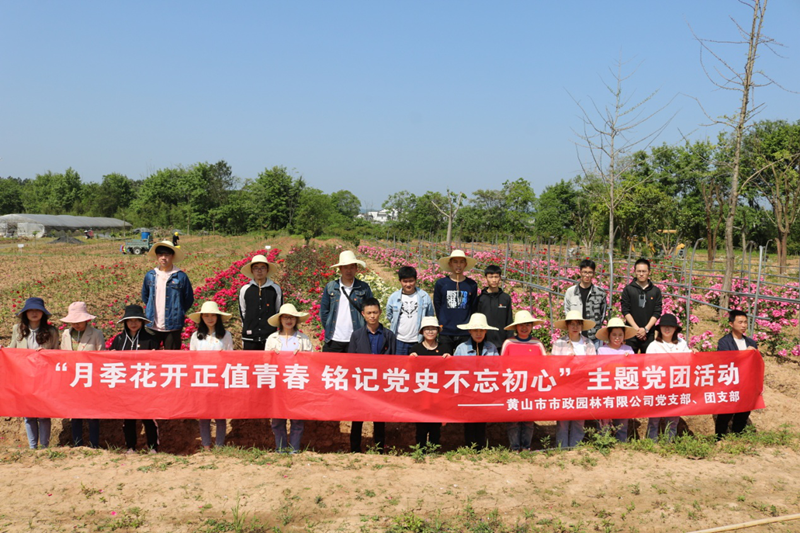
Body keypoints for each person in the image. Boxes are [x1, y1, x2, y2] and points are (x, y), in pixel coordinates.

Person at [9, 297, 59, 449]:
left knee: (43, 414)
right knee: (28, 414)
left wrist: (46, 353)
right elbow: (12, 349)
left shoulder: (51, 331)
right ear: (25, 313)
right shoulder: (17, 329)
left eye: (38, 310)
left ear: (43, 313)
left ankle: (44, 447)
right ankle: (32, 447)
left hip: (44, 378)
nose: (34, 313)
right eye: (30, 310)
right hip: (23, 377)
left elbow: (57, 353)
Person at [109, 305, 160, 454]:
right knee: (128, 418)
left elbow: (158, 361)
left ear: (142, 322)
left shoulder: (150, 339)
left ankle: (153, 447)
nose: (133, 323)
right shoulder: (119, 339)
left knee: (148, 417)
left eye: (137, 320)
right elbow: (110, 361)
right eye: (130, 320)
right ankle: (130, 447)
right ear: (125, 322)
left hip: (145, 383)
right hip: (125, 385)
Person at [347, 298, 395, 453]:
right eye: (369, 313)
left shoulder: (389, 335)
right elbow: (351, 360)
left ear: (380, 312)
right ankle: (355, 449)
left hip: (381, 382)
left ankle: (379, 449)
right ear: (363, 314)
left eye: (375, 312)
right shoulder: (356, 335)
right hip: (362, 381)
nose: (372, 316)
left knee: (379, 418)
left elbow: (394, 359)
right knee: (357, 417)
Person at [265, 303, 312, 453]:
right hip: (277, 384)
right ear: (280, 320)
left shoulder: (303, 339)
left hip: (296, 383)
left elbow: (311, 362)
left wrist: (303, 356)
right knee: (277, 419)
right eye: (285, 317)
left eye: (291, 317)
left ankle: (294, 448)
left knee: (296, 419)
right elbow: (265, 362)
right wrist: (272, 354)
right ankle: (280, 448)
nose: (288, 320)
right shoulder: (272, 339)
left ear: (296, 320)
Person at [188, 301, 234, 451]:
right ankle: (206, 445)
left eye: (213, 315)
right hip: (202, 379)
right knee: (204, 414)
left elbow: (231, 357)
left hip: (220, 379)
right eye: (206, 315)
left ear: (218, 317)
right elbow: (192, 358)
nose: (210, 318)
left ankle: (219, 445)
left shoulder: (226, 335)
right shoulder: (195, 336)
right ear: (201, 318)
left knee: (220, 414)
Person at [59, 302, 105, 448]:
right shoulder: (66, 334)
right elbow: (62, 355)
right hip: (73, 379)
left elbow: (102, 356)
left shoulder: (96, 334)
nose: (76, 324)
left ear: (86, 320)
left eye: (79, 321)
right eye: (73, 322)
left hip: (91, 379)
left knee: (92, 414)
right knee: (75, 414)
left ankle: (94, 445)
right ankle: (77, 444)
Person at [452, 313, 499, 449]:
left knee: (482, 418)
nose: (478, 333)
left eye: (481, 330)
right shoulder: (461, 348)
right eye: (475, 330)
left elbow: (497, 367)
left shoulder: (492, 348)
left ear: (486, 331)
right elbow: (454, 368)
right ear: (470, 331)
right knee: (468, 418)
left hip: (485, 388)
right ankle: (469, 446)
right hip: (467, 389)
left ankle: (480, 446)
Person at [551, 310, 597, 449]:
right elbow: (553, 366)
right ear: (567, 326)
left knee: (579, 418)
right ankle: (562, 447)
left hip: (582, 385)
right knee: (563, 419)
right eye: (572, 324)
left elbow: (593, 365)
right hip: (564, 386)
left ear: (582, 326)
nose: (575, 327)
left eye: (578, 324)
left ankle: (575, 447)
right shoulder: (559, 343)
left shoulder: (589, 344)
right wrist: (566, 361)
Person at [501, 310, 546, 451]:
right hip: (513, 387)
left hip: (531, 387)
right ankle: (515, 447)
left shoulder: (537, 344)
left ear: (532, 326)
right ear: (516, 327)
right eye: (521, 325)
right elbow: (502, 365)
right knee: (513, 420)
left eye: (527, 324)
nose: (524, 328)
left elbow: (545, 365)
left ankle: (526, 447)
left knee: (528, 420)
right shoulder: (508, 343)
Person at [645, 313, 693, 442]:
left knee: (673, 417)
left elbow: (688, 361)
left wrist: (694, 354)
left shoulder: (682, 344)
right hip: (658, 386)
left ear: (675, 329)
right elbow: (648, 365)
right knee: (654, 417)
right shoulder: (653, 345)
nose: (667, 329)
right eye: (664, 326)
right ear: (659, 328)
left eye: (670, 326)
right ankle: (651, 442)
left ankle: (669, 441)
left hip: (676, 385)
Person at [141, 241, 194, 350]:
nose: (163, 258)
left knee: (172, 357)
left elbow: (188, 299)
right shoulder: (150, 275)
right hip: (152, 325)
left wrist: (178, 311)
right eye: (160, 255)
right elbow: (145, 296)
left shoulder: (181, 276)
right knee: (151, 356)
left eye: (167, 255)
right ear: (157, 256)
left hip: (173, 326)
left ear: (172, 256)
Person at [715, 309, 759, 440]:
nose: (743, 325)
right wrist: (744, 354)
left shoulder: (751, 343)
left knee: (744, 412)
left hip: (746, 383)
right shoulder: (724, 342)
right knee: (726, 413)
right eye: (740, 322)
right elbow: (724, 360)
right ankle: (719, 438)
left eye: (745, 322)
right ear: (731, 324)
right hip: (730, 383)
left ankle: (737, 436)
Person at [320, 250, 373, 353]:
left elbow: (370, 310)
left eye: (352, 267)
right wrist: (329, 327)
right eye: (345, 267)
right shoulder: (331, 287)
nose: (349, 270)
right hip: (334, 338)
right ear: (340, 268)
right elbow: (324, 311)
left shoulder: (363, 287)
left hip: (356, 338)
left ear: (356, 268)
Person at [409, 316, 450, 448]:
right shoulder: (416, 349)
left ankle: (434, 448)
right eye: (427, 329)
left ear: (437, 331)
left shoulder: (445, 348)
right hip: (421, 391)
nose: (430, 331)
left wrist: (449, 359)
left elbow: (450, 370)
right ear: (422, 331)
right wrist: (411, 359)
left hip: (438, 392)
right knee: (421, 423)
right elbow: (409, 371)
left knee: (435, 424)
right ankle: (420, 448)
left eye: (433, 329)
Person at [595, 317, 637, 442]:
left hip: (622, 388)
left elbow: (634, 367)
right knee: (605, 416)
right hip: (607, 388)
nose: (617, 338)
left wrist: (629, 359)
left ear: (624, 336)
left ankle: (621, 441)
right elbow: (599, 368)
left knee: (622, 416)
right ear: (609, 335)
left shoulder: (628, 349)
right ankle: (604, 440)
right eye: (614, 334)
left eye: (620, 335)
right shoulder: (602, 350)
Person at [434, 250, 479, 350]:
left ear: (465, 264)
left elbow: (473, 306)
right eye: (455, 262)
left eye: (461, 262)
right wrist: (442, 322)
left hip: (465, 331)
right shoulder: (441, 284)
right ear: (450, 264)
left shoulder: (471, 285)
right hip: (446, 331)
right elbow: (437, 305)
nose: (458, 265)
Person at [386, 266, 435, 356]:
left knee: (417, 364)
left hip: (418, 340)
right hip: (399, 339)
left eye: (411, 281)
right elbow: (389, 315)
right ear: (400, 281)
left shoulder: (424, 297)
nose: (408, 284)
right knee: (400, 364)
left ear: (416, 280)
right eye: (405, 281)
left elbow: (429, 317)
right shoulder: (394, 297)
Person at [238, 254, 283, 350]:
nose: (259, 271)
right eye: (256, 268)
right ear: (252, 271)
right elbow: (243, 312)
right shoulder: (245, 289)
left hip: (269, 337)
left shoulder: (275, 289)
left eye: (262, 267)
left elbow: (278, 310)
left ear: (267, 270)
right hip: (250, 337)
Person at [621, 258, 662, 354]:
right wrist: (637, 329)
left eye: (644, 271)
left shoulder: (655, 291)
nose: (641, 274)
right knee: (630, 361)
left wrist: (646, 329)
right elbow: (625, 310)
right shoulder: (628, 289)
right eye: (639, 271)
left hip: (648, 334)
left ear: (649, 272)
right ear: (635, 271)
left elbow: (657, 312)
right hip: (631, 333)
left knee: (648, 361)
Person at [564, 259, 607, 349]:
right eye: (585, 272)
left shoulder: (600, 293)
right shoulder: (571, 292)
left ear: (594, 274)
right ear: (580, 272)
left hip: (594, 337)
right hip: (576, 336)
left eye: (590, 272)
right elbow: (567, 311)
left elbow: (602, 314)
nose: (587, 275)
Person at [476, 264, 514, 349]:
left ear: (500, 278)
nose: (494, 280)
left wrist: (509, 341)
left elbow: (509, 321)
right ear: (486, 278)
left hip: (502, 342)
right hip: (484, 342)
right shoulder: (480, 299)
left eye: (496, 277)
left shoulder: (505, 298)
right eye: (491, 277)